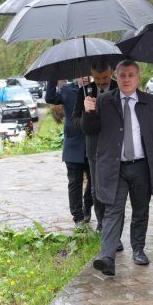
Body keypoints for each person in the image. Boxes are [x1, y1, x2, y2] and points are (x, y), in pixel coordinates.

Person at [83, 60, 153, 276]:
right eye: (122, 75)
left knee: (140, 209)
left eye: (131, 75)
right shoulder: (104, 101)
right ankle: (107, 256)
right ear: (117, 77)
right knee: (113, 210)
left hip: (142, 165)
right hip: (115, 166)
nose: (126, 79)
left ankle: (138, 249)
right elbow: (90, 130)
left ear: (138, 77)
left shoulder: (152, 103)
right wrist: (88, 112)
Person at [72, 59, 118, 230]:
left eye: (104, 78)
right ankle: (102, 224)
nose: (101, 82)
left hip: (115, 146)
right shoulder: (84, 91)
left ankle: (113, 223)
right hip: (94, 147)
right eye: (97, 79)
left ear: (111, 72)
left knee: (115, 189)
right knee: (96, 189)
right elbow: (74, 120)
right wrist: (86, 114)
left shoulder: (119, 87)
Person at [45, 76, 93, 229]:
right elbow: (50, 97)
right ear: (78, 76)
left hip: (92, 144)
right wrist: (52, 77)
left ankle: (87, 206)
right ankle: (77, 216)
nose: (85, 78)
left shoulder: (95, 89)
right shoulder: (67, 90)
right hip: (73, 144)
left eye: (87, 75)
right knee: (74, 182)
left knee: (94, 181)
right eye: (82, 75)